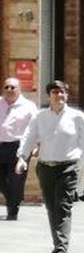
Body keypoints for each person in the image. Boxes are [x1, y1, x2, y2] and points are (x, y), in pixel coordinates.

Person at [16, 79, 84, 253]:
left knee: (63, 207)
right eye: (54, 92)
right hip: (45, 168)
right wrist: (22, 158)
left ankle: (62, 249)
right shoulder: (40, 117)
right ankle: (57, 245)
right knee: (51, 208)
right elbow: (29, 137)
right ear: (48, 95)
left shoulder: (77, 117)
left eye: (62, 92)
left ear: (66, 95)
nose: (59, 95)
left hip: (68, 167)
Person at [0, 76, 37, 221]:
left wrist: (34, 146)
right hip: (1, 145)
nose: (9, 90)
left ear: (19, 89)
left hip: (19, 147)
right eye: (6, 87)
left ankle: (12, 211)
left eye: (12, 87)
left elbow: (35, 128)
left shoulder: (29, 106)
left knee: (16, 179)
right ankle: (14, 198)